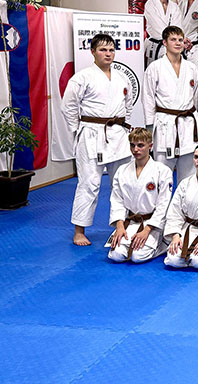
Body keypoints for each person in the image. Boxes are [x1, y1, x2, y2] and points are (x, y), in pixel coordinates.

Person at [61, 33, 133, 246]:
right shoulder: (82, 77)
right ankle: (79, 230)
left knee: (122, 182)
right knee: (89, 183)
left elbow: (128, 105)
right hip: (92, 134)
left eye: (111, 50)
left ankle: (123, 225)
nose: (108, 54)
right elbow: (68, 106)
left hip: (118, 134)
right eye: (103, 50)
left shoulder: (122, 78)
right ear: (93, 52)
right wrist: (78, 130)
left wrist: (123, 125)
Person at [143, 25, 198, 185]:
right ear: (165, 42)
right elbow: (148, 98)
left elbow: (196, 97)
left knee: (189, 178)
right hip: (165, 125)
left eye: (180, 40)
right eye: (173, 39)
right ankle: (161, 203)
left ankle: (185, 202)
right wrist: (149, 127)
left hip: (188, 125)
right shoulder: (155, 68)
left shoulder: (192, 68)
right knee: (162, 177)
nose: (177, 43)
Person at [107, 128, 173, 263]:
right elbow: (117, 200)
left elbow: (163, 204)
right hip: (130, 221)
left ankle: (162, 244)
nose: (135, 149)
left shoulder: (162, 171)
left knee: (137, 257)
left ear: (150, 146)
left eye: (140, 145)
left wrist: (147, 230)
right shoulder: (122, 170)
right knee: (116, 256)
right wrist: (120, 226)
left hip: (152, 223)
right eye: (132, 145)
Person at [143, 0, 181, 66]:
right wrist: (172, 37)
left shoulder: (174, 6)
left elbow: (177, 28)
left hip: (171, 48)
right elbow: (158, 27)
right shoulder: (150, 4)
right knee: (154, 72)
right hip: (155, 46)